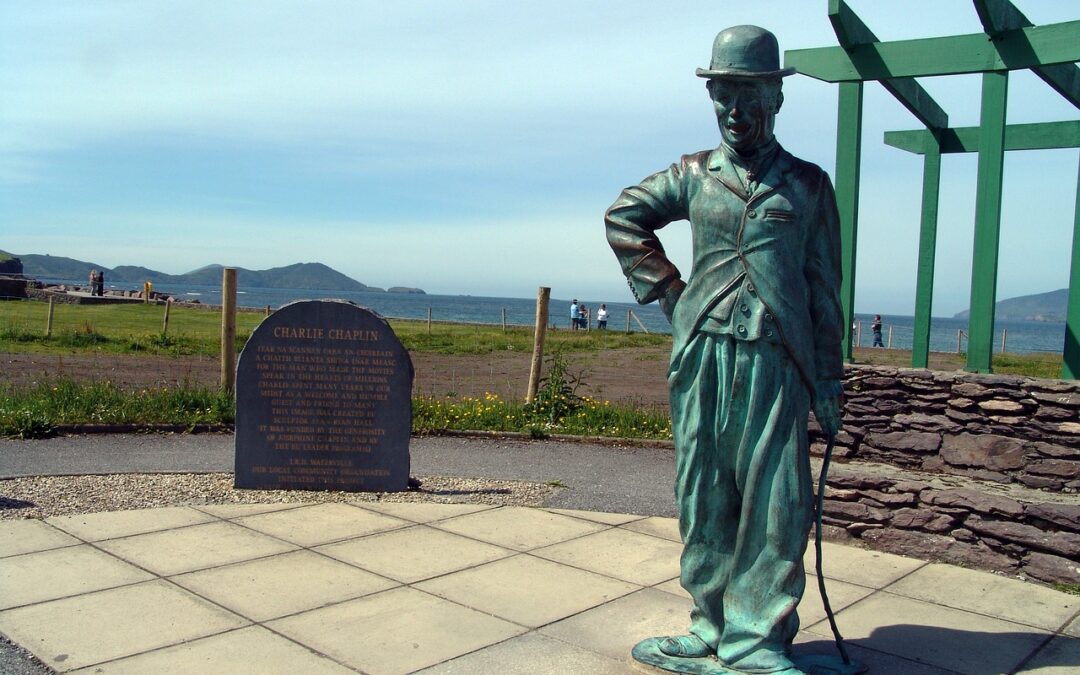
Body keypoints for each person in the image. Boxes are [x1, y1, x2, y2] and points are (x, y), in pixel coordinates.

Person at [605, 25, 844, 674]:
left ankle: (759, 638)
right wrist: (672, 294)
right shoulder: (693, 175)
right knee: (704, 497)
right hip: (703, 357)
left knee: (776, 504)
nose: (736, 110)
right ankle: (710, 624)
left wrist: (828, 379)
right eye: (724, 95)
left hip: (774, 362)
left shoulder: (808, 187)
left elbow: (824, 291)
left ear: (777, 97)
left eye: (750, 94)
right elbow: (624, 217)